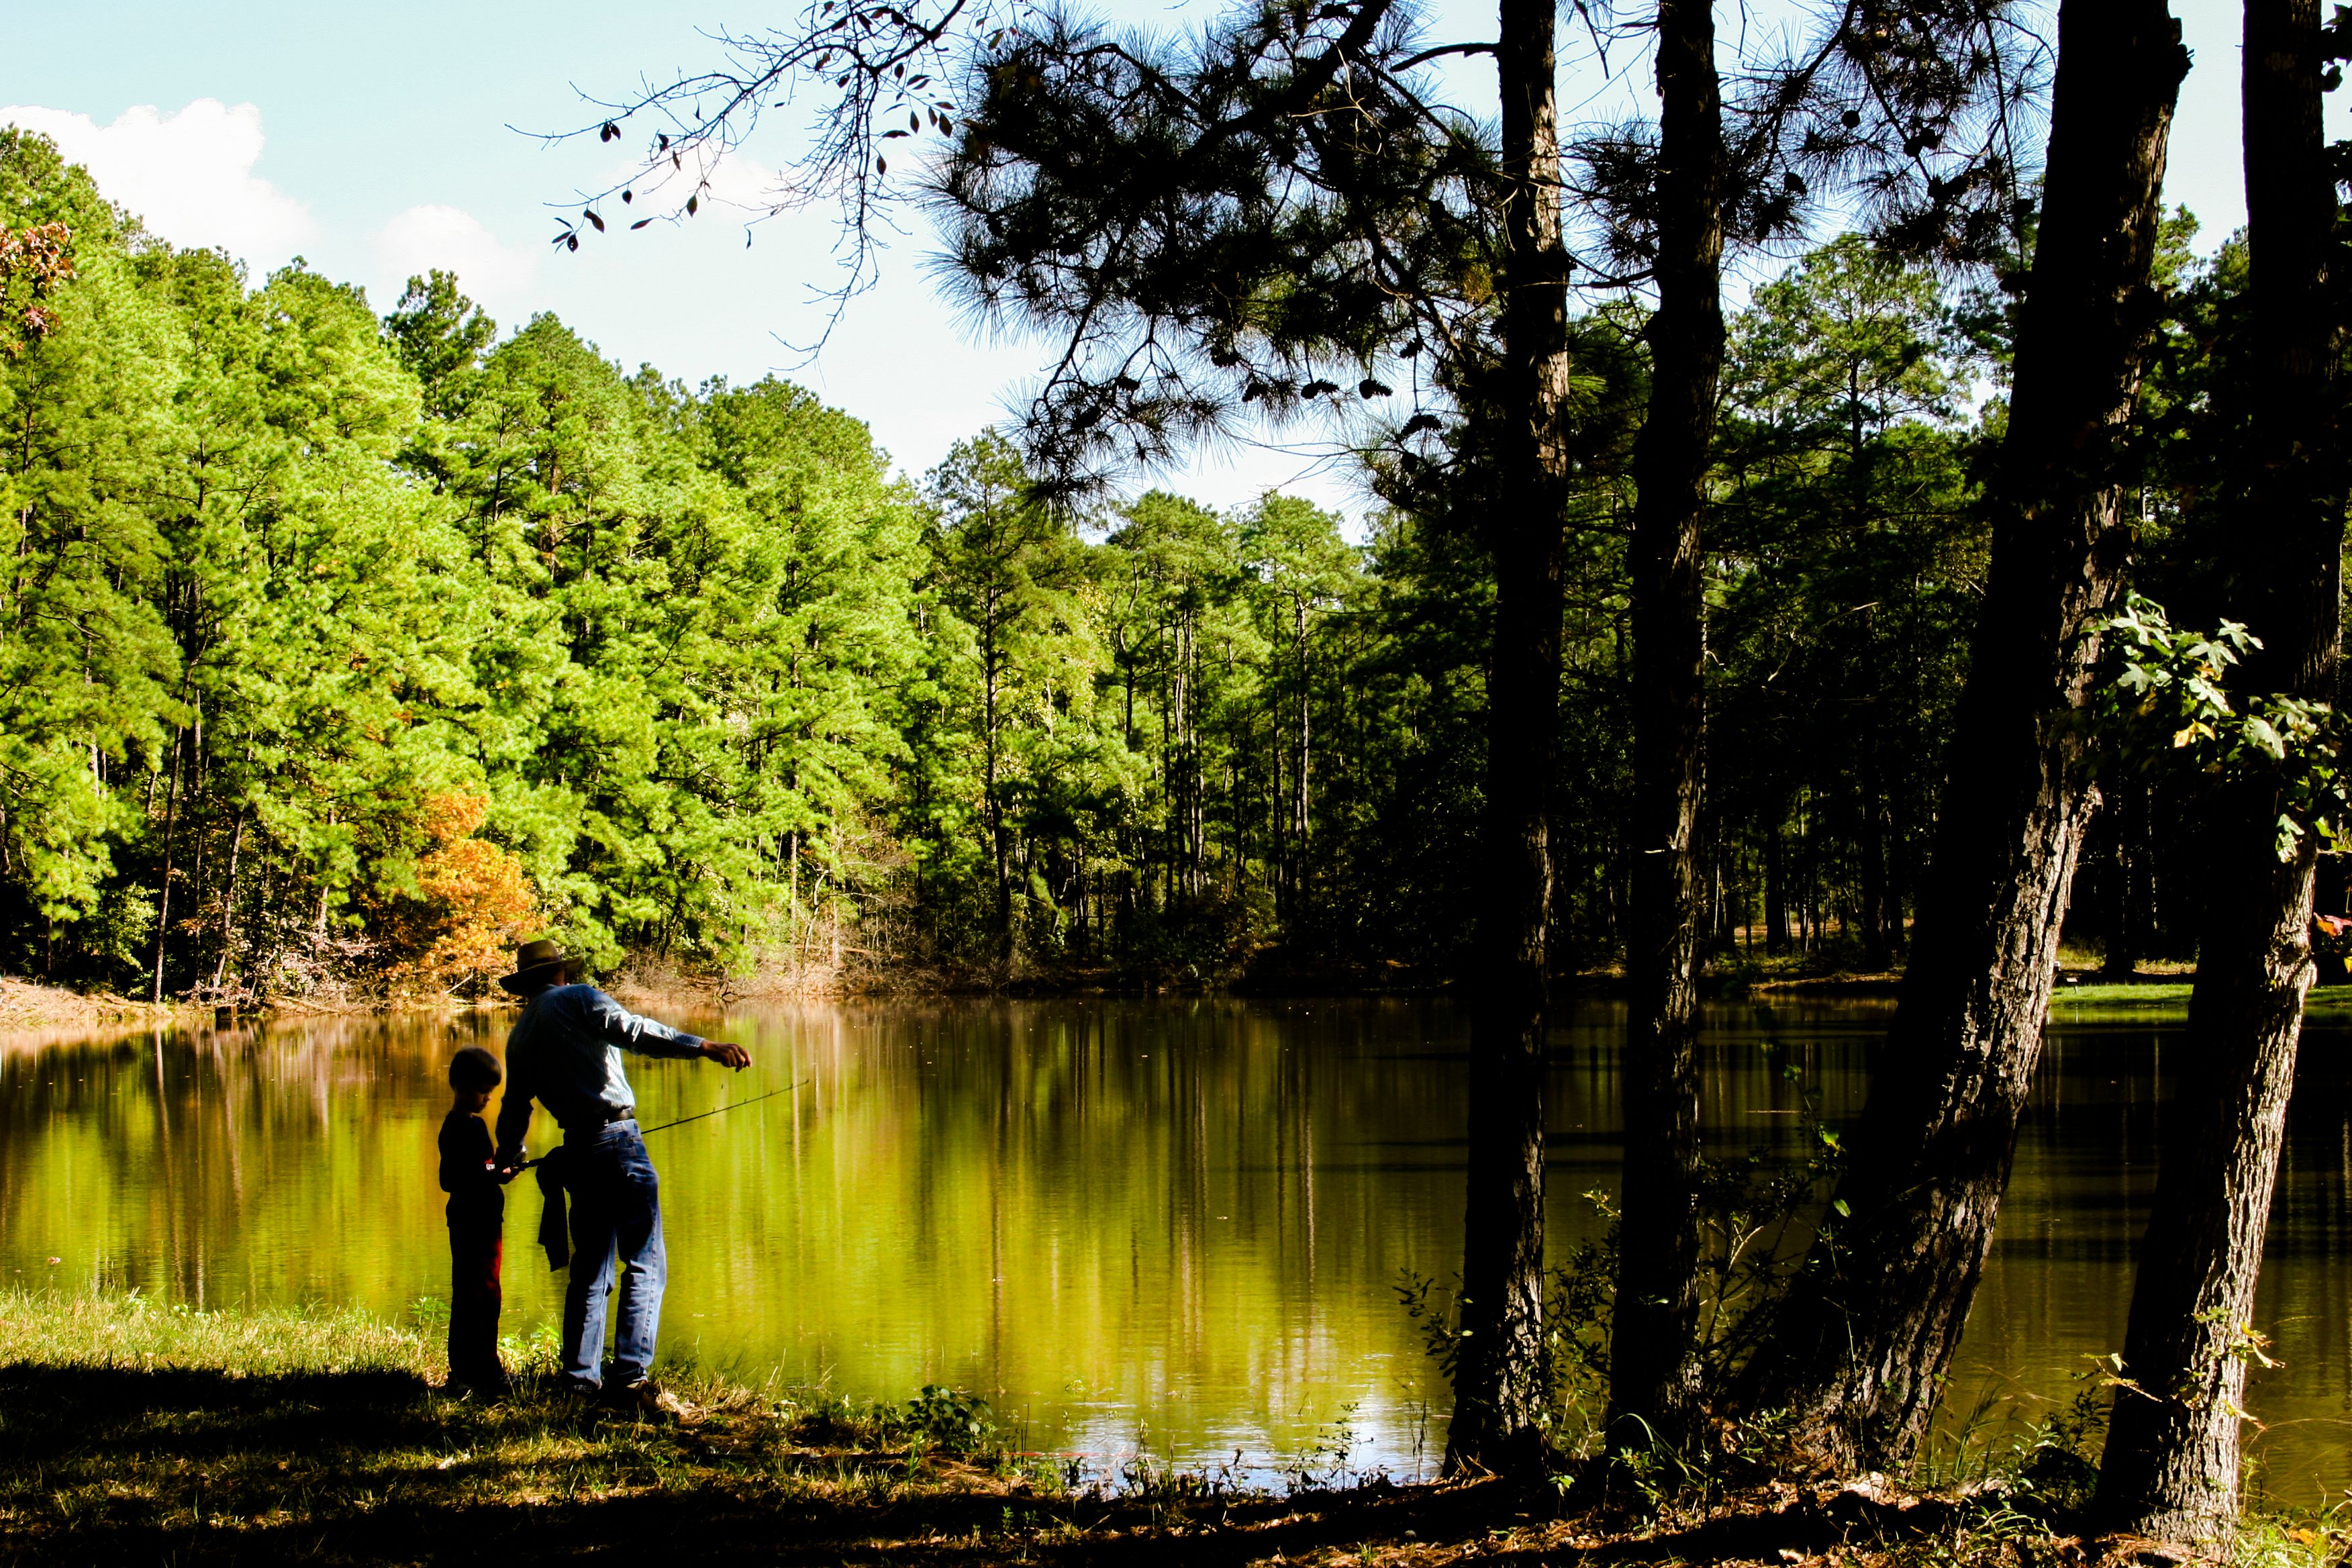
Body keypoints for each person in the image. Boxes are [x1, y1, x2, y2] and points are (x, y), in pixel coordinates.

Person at [490, 938, 750, 1414]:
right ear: (562, 974)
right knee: (646, 1261)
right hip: (618, 1141)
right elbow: (635, 1032)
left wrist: (509, 1155)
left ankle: (580, 1382)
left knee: (591, 1269)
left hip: (579, 1149)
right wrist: (705, 1046)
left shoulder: (520, 1034)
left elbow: (514, 1108)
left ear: (527, 984)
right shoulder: (580, 998)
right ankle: (630, 1380)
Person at [438, 1045, 514, 1397]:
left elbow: (484, 1166)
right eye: (483, 1091)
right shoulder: (454, 1128)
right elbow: (449, 1179)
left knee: (485, 1292)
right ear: (460, 1085)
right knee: (475, 1293)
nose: (487, 1098)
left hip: (486, 1218)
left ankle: (479, 1366)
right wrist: (489, 1172)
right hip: (472, 1222)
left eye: (491, 1092)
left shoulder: (479, 1126)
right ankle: (476, 1370)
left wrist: (499, 1169)